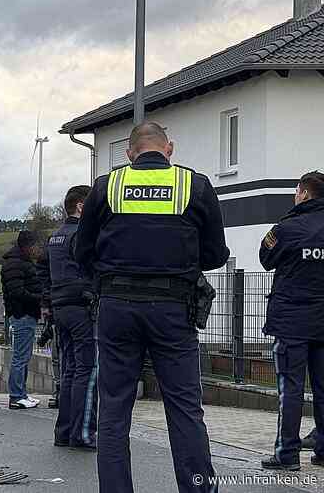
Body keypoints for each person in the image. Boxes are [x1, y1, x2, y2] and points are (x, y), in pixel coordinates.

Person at [75, 122, 229, 493]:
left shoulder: (106, 186)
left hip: (116, 308)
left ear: (129, 154)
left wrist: (111, 277)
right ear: (169, 148)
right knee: (184, 410)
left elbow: (82, 252)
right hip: (173, 310)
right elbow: (216, 254)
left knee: (113, 410)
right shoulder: (196, 186)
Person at [258, 171, 324, 471]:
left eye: (296, 191)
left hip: (292, 322)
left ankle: (287, 454)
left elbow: (265, 258)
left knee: (291, 388)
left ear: (305, 194)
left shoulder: (286, 227)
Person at [39, 184, 96, 451]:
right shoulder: (79, 235)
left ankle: (63, 432)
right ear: (81, 207)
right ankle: (83, 433)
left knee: (70, 370)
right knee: (87, 369)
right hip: (81, 306)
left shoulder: (56, 237)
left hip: (60, 308)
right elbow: (92, 267)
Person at [2, 229, 44, 409]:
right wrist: (38, 298)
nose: (37, 250)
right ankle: (17, 395)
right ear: (27, 246)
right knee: (20, 357)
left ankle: (21, 394)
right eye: (35, 246)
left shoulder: (19, 262)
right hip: (22, 314)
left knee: (23, 356)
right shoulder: (16, 264)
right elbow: (17, 292)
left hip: (24, 314)